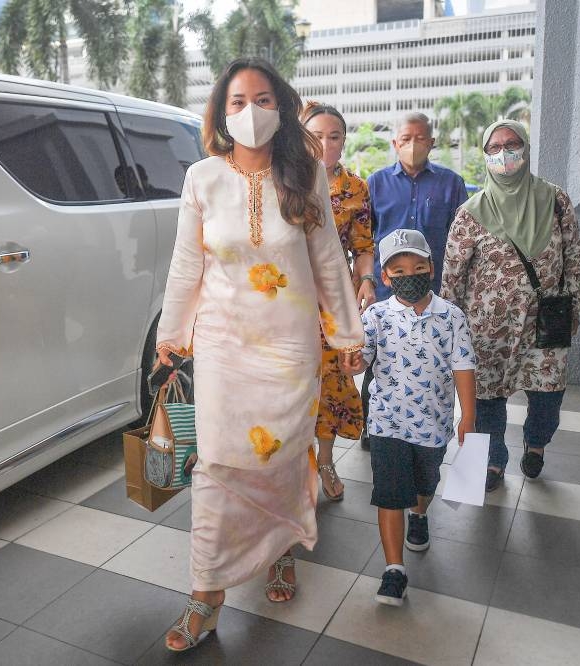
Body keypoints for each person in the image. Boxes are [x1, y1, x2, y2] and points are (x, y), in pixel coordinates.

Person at [154, 58, 364, 652]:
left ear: (283, 106)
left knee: (282, 458)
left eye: (263, 99)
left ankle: (280, 549)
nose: (250, 112)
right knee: (217, 464)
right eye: (238, 101)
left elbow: (327, 261)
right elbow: (186, 265)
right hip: (223, 346)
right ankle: (205, 594)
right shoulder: (202, 179)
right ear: (222, 111)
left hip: (289, 347)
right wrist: (171, 337)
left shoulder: (306, 175)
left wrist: (348, 338)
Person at [441, 120, 580, 492]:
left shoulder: (555, 200)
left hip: (546, 323)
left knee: (548, 394)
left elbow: (573, 260)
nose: (504, 153)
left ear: (525, 148)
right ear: (486, 155)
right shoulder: (471, 212)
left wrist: (575, 310)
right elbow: (453, 277)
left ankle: (536, 443)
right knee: (488, 397)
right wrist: (449, 333)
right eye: (495, 147)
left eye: (512, 143)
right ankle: (492, 462)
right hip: (488, 330)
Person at [353, 228, 476, 606]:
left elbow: (463, 366)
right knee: (389, 494)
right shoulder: (375, 316)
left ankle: (420, 513)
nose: (410, 275)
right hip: (386, 421)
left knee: (425, 483)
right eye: (399, 270)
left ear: (432, 269)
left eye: (418, 267)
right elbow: (362, 359)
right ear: (386, 277)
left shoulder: (451, 316)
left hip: (433, 424)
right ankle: (394, 570)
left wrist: (467, 417)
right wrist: (353, 362)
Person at [359, 113, 469, 451]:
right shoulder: (375, 183)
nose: (412, 145)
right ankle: (372, 425)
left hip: (432, 290)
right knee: (378, 359)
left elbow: (461, 239)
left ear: (432, 143)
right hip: (387, 289)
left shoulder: (451, 184)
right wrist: (366, 280)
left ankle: (429, 425)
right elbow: (364, 237)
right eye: (406, 139)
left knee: (430, 360)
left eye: (420, 138)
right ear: (395, 143)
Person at [301, 102, 376, 501]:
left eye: (334, 137)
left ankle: (325, 461)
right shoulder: (286, 182)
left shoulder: (356, 188)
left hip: (332, 304)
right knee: (292, 384)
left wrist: (365, 278)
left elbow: (363, 245)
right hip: (287, 303)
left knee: (332, 386)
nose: (326, 144)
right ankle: (299, 467)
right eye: (316, 136)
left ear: (345, 141)